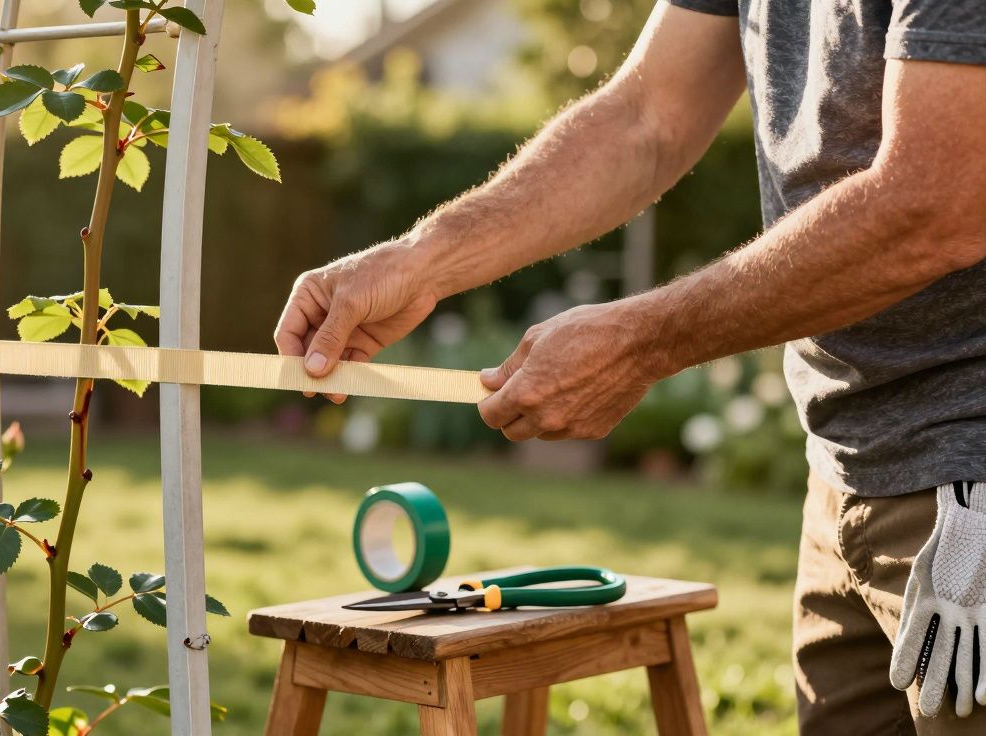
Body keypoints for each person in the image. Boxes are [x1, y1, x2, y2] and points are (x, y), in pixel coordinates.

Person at [273, 1, 986, 732]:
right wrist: (421, 260)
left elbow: (934, 201)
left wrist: (641, 342)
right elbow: (646, 115)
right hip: (844, 470)